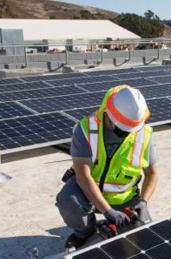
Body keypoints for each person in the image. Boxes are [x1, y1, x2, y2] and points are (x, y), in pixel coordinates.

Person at [56, 85, 159, 248]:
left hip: (125, 198)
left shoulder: (143, 134)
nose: (128, 133)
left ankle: (116, 222)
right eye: (123, 129)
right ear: (110, 118)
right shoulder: (86, 130)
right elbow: (83, 178)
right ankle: (85, 232)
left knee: (141, 242)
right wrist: (107, 212)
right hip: (88, 194)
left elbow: (152, 174)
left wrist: (143, 201)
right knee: (69, 200)